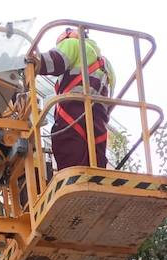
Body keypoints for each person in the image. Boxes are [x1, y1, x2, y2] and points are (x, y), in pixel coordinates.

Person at [35, 28, 116, 172]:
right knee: (96, 159)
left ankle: (73, 180)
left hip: (72, 114)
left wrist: (28, 61)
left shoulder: (72, 44)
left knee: (68, 150)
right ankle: (96, 180)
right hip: (99, 120)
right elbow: (110, 100)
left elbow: (53, 61)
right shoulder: (107, 65)